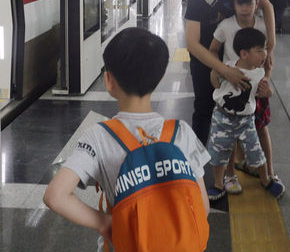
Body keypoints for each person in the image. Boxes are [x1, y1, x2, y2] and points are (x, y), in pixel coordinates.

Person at [44, 28, 211, 250]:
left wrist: (105, 224)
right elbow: (203, 205)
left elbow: (55, 196)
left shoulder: (98, 137)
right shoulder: (182, 132)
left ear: (108, 80)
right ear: (160, 78)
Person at [185, 0, 276, 146]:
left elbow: (267, 6)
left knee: (243, 107)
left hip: (240, 59)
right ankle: (194, 161)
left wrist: (270, 46)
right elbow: (192, 43)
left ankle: (239, 161)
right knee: (205, 108)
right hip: (208, 62)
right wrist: (223, 70)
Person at [208, 0, 281, 195]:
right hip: (232, 86)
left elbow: (268, 60)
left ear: (257, 4)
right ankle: (229, 176)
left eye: (249, 4)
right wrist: (220, 71)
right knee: (228, 135)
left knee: (260, 129)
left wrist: (265, 84)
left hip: (256, 89)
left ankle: (268, 172)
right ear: (234, 5)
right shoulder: (226, 26)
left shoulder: (262, 26)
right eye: (240, 5)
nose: (245, 9)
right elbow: (213, 50)